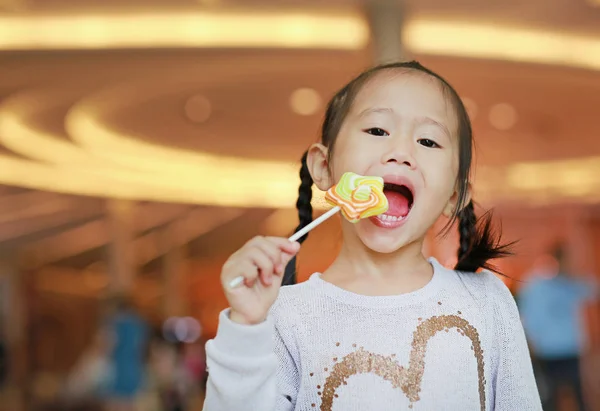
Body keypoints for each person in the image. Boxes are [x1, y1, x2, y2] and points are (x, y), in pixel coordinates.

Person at [203, 61, 542, 410]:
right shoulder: (283, 316)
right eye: (378, 131)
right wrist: (245, 327)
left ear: (454, 196)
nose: (401, 153)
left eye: (428, 140)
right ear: (323, 167)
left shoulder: (486, 302)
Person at [519, 245, 598, 411]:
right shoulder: (534, 284)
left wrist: (573, 274)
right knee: (550, 397)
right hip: (547, 351)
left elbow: (594, 290)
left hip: (569, 348)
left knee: (577, 395)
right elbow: (527, 317)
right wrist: (532, 342)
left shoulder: (569, 282)